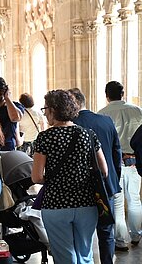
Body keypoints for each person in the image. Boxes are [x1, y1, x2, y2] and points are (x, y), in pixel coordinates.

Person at [32, 89, 108, 264]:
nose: (45, 114)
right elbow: (104, 171)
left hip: (56, 204)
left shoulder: (45, 137)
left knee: (65, 256)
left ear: (52, 110)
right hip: (86, 203)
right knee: (85, 254)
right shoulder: (88, 134)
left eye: (45, 110)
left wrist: (56, 180)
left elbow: (36, 177)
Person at [69, 87, 122, 264]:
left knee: (81, 233)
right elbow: (116, 152)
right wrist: (114, 179)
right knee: (106, 230)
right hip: (106, 184)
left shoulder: (70, 125)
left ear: (74, 103)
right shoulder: (106, 121)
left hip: (80, 187)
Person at [98, 81, 142, 250]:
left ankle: (121, 241)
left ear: (106, 95)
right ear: (122, 94)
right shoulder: (137, 111)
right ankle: (136, 235)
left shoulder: (102, 114)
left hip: (114, 162)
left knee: (117, 201)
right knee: (135, 199)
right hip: (134, 160)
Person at [0, 76, 24, 151]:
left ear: (2, 91)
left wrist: (7, 98)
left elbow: (15, 118)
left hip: (6, 149)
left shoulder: (14, 106)